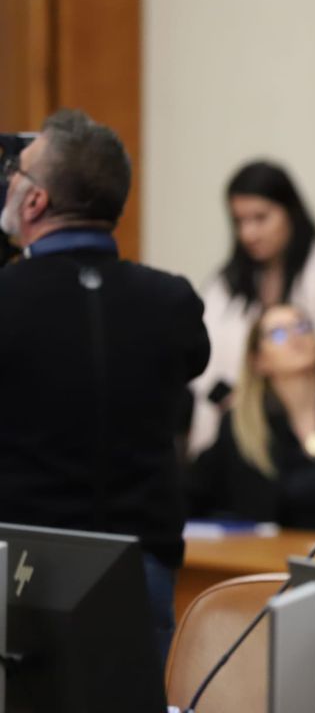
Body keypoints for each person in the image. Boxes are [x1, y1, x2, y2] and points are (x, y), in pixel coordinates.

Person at [0, 109, 210, 663]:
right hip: (138, 568)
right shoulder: (171, 301)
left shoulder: (8, 299)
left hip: (20, 568)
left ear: (35, 201)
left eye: (16, 172)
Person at [189, 160, 315, 455]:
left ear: (290, 212)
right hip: (250, 433)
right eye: (239, 221)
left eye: (260, 218)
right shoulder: (225, 285)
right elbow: (202, 362)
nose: (249, 234)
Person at [188, 304, 315, 530]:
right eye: (278, 334)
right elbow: (192, 492)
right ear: (258, 360)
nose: (295, 337)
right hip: (279, 549)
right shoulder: (240, 427)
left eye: (302, 327)